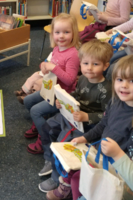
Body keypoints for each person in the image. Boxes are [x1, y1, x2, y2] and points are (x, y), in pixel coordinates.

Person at [46, 55, 133, 200]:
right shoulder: (116, 101)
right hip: (103, 153)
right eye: (120, 79)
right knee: (76, 177)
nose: (123, 85)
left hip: (118, 171)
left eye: (131, 81)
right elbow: (103, 124)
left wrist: (117, 154)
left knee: (83, 181)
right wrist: (85, 137)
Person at [38, 40, 113, 193]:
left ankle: (56, 177)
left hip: (86, 125)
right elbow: (77, 94)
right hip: (72, 114)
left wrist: (87, 116)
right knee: (47, 127)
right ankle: (49, 157)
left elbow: (107, 116)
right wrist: (63, 100)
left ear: (106, 65)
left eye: (95, 64)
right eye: (85, 63)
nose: (89, 68)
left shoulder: (106, 89)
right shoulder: (83, 79)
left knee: (63, 143)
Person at [23, 13, 80, 154]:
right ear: (52, 33)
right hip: (50, 89)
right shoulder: (56, 49)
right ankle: (38, 124)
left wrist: (54, 68)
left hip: (62, 95)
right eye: (57, 32)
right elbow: (51, 63)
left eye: (66, 32)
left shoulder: (73, 54)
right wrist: (45, 64)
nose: (61, 36)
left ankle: (45, 139)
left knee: (35, 111)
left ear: (74, 34)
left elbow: (70, 79)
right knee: (28, 100)